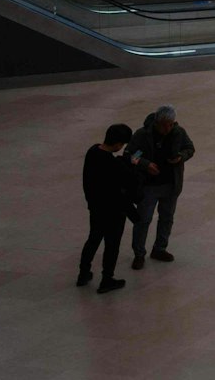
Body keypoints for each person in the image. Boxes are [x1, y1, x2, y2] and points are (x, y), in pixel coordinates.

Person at [127, 105, 194, 269]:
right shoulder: (143, 135)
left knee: (167, 218)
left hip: (171, 185)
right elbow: (130, 155)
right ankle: (139, 253)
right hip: (148, 186)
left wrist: (180, 157)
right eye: (164, 124)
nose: (168, 128)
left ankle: (160, 248)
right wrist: (145, 164)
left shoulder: (179, 132)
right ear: (156, 122)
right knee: (143, 220)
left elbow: (190, 149)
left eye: (171, 124)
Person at [80, 122, 137, 292]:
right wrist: (131, 165)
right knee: (112, 245)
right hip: (113, 211)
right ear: (118, 144)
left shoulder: (92, 151)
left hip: (96, 207)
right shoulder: (113, 164)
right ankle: (107, 279)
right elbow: (130, 182)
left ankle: (83, 273)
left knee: (93, 239)